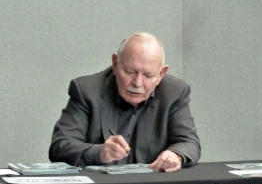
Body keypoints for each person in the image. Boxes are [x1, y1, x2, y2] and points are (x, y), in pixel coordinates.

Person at [49, 32, 201, 172]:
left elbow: (189, 142)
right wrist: (100, 153)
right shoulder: (87, 91)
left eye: (148, 75)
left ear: (161, 74)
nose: (137, 83)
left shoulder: (174, 92)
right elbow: (59, 147)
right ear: (115, 64)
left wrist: (176, 155)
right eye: (130, 72)